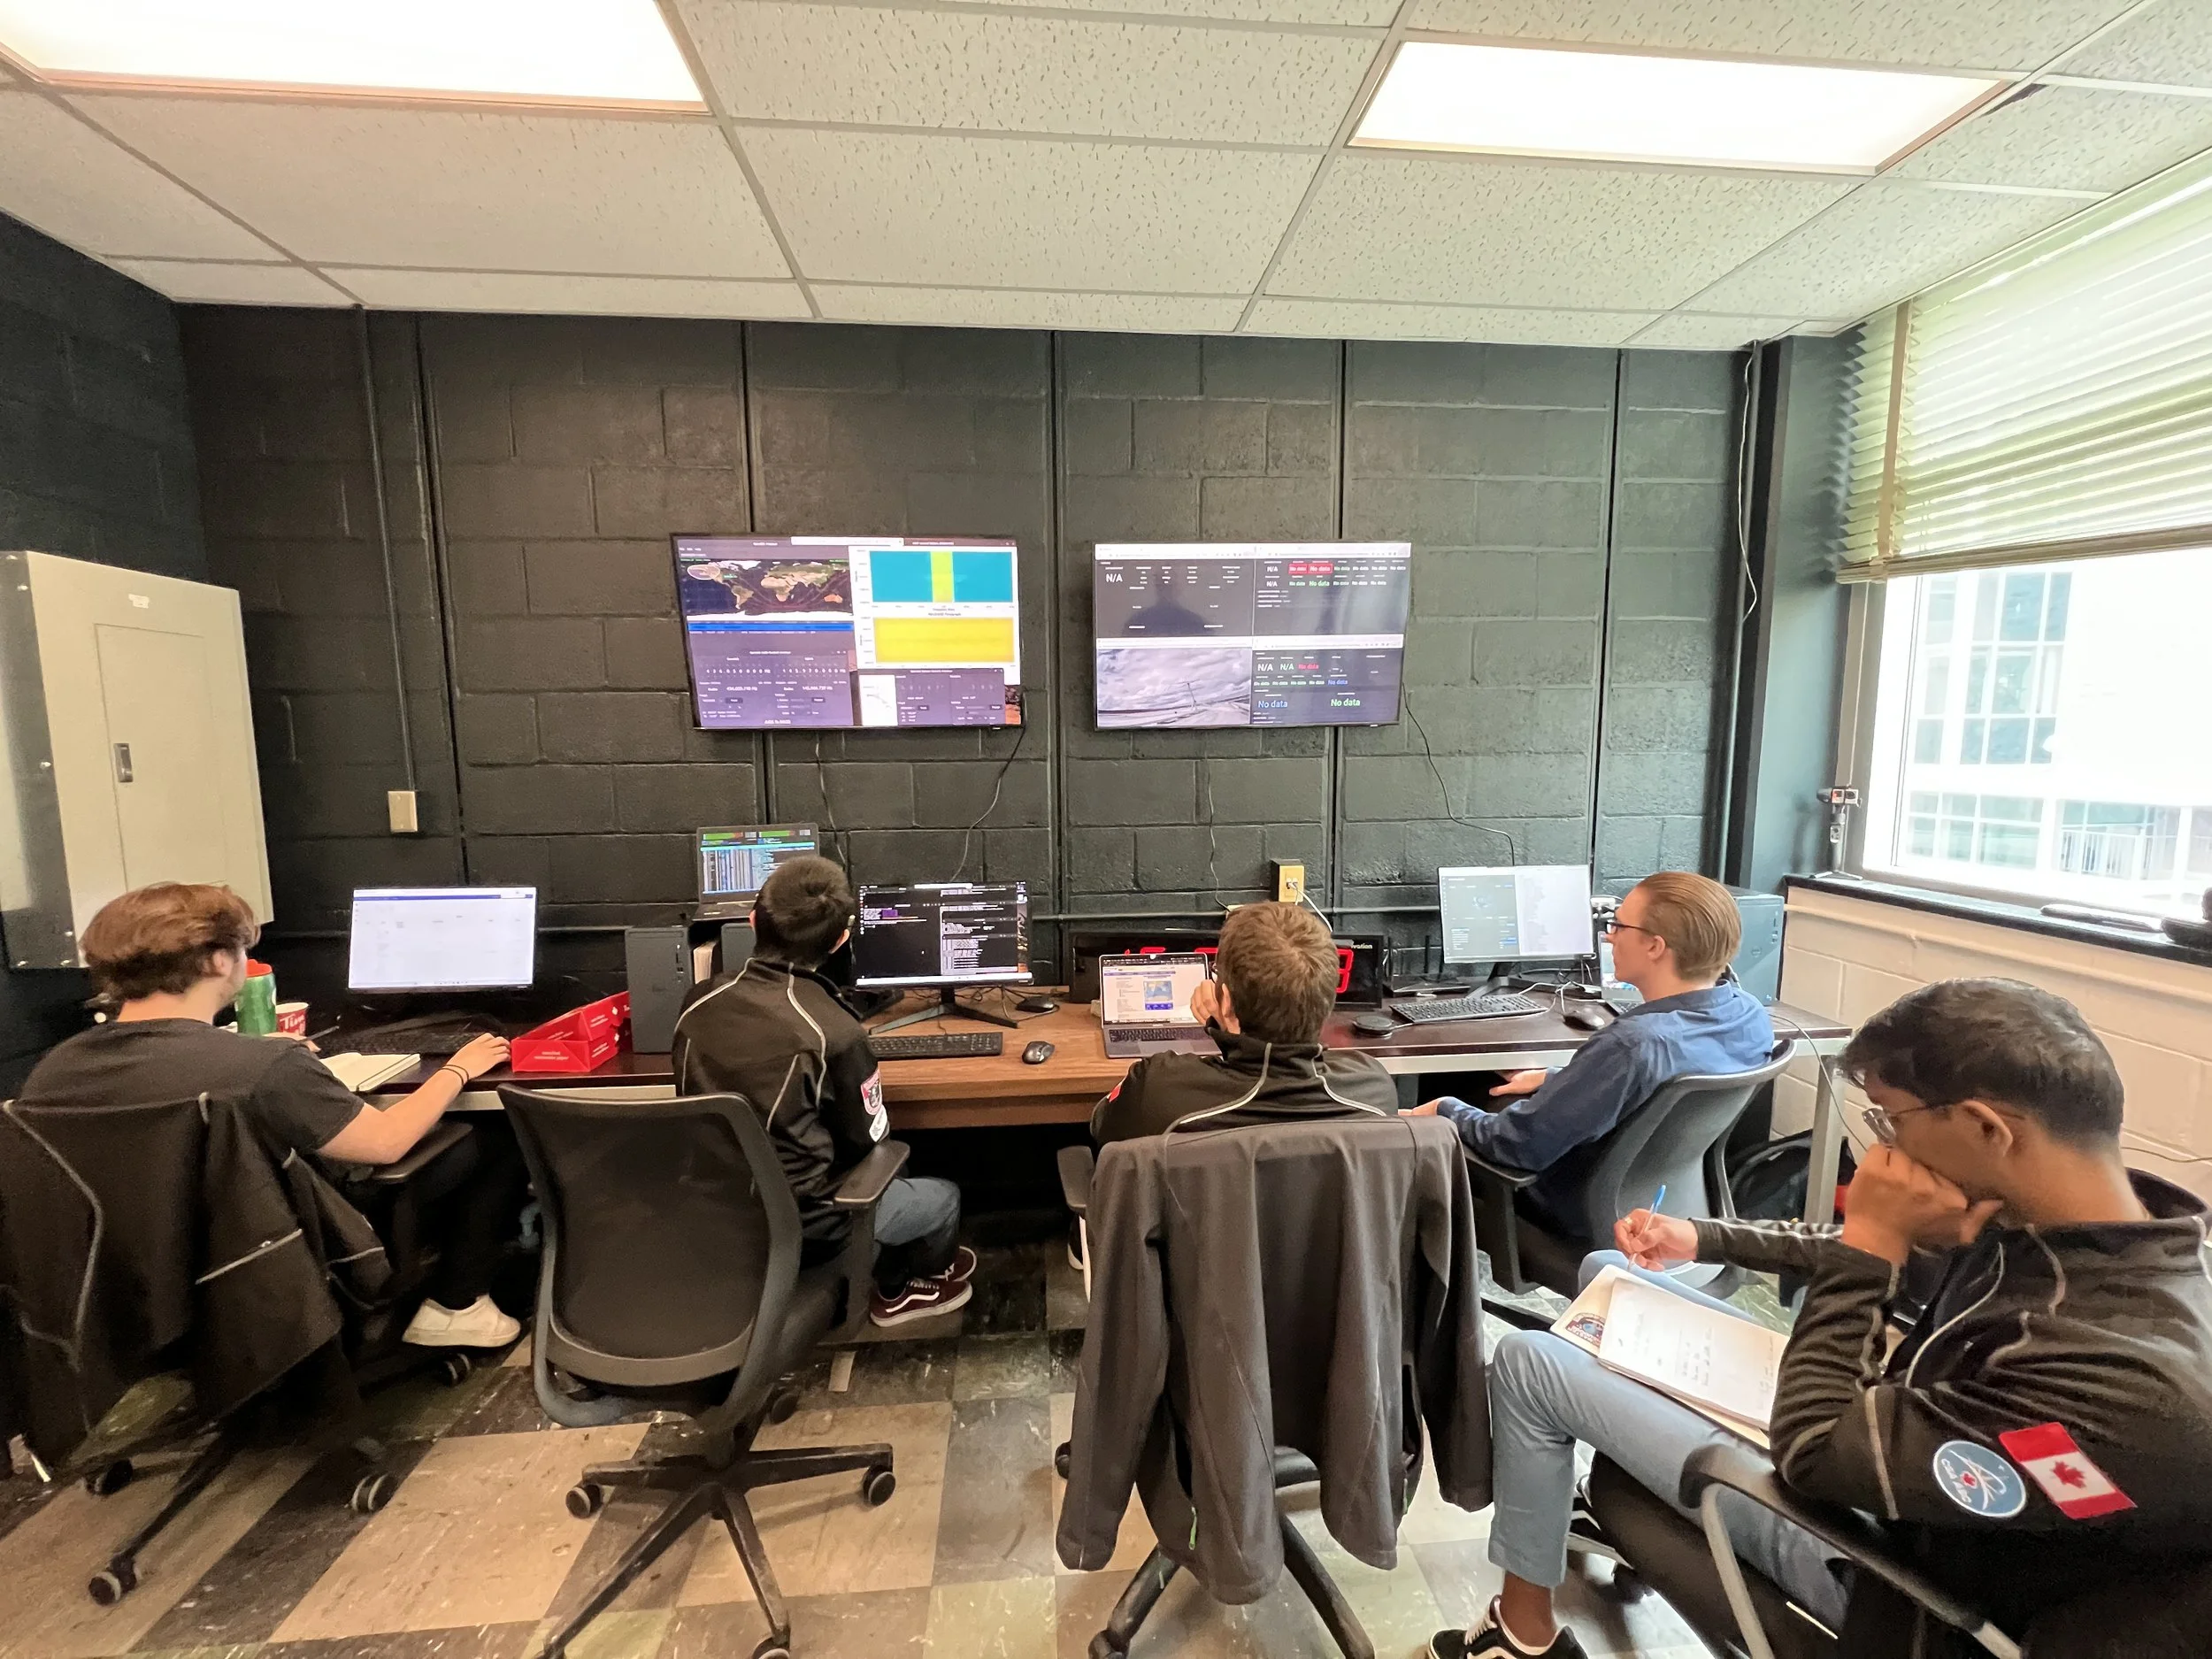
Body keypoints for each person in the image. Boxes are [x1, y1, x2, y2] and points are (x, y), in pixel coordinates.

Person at [1430, 977, 2212, 1659]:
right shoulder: (2076, 1236)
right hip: (1887, 1447)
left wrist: (1876, 1237)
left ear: (1985, 1127)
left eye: (1892, 1121)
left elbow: (1811, 1453)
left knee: (1534, 1359)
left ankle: (1520, 1633)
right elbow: (1847, 1248)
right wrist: (1703, 1235)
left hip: (1886, 1569)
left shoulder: (2121, 1381)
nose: (1883, 1148)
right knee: (1610, 1274)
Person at [21, 882, 526, 1348]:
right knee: (494, 1136)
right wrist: (457, 1069)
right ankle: (455, 1307)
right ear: (219, 961)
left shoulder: (56, 1069)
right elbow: (385, 1143)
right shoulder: (262, 1067)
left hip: (123, 1287)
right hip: (262, 1256)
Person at [671, 854, 975, 1327]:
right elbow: (870, 1140)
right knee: (942, 1197)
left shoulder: (698, 1001)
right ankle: (902, 1289)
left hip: (713, 1209)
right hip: (811, 1220)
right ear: (841, 939)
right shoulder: (834, 1030)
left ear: (753, 921)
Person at [1404, 872, 1774, 1230]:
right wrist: (1562, 1080)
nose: (1609, 938)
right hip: (1674, 1208)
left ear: (1655, 946)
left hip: (1576, 1211)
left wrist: (1445, 1109)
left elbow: (1517, 1148)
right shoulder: (1751, 1018)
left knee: (1432, 1123)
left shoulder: (1632, 1045)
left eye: (1618, 926)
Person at [1092, 901, 1396, 1144]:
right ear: (1327, 1002)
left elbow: (1102, 1127)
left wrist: (1224, 1034)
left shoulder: (1157, 1087)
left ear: (1225, 1001)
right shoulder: (1374, 1089)